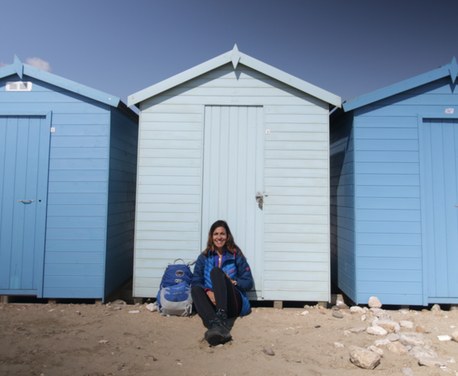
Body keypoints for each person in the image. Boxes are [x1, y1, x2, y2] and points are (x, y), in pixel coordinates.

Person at [191, 220, 254, 346]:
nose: (219, 237)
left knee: (216, 272)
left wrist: (233, 281)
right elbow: (196, 281)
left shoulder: (236, 254)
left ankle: (219, 318)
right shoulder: (204, 257)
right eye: (216, 234)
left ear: (227, 236)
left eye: (222, 234)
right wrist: (208, 292)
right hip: (212, 301)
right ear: (211, 236)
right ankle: (217, 326)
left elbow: (248, 282)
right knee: (195, 289)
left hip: (233, 302)